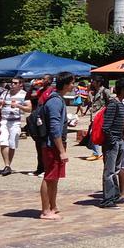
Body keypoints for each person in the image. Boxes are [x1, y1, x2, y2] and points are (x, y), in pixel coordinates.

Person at [39, 72, 74, 220]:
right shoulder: (55, 101)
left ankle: (52, 206)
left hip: (55, 144)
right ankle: (45, 210)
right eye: (72, 82)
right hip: (51, 145)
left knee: (55, 177)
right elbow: (54, 128)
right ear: (66, 84)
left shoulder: (58, 99)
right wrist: (61, 151)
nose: (74, 85)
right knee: (49, 177)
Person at [99, 80, 124, 208]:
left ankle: (114, 195)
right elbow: (106, 126)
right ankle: (108, 199)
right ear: (123, 90)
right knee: (109, 171)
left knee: (115, 169)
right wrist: (113, 140)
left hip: (118, 140)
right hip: (113, 141)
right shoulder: (113, 104)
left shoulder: (120, 104)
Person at [0, 77, 31, 176]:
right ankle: (7, 165)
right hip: (4, 121)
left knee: (12, 144)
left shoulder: (24, 94)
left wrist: (18, 106)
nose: (12, 85)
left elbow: (29, 109)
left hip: (15, 122)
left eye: (15, 83)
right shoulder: (5, 93)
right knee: (3, 142)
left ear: (20, 85)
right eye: (12, 83)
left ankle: (8, 165)